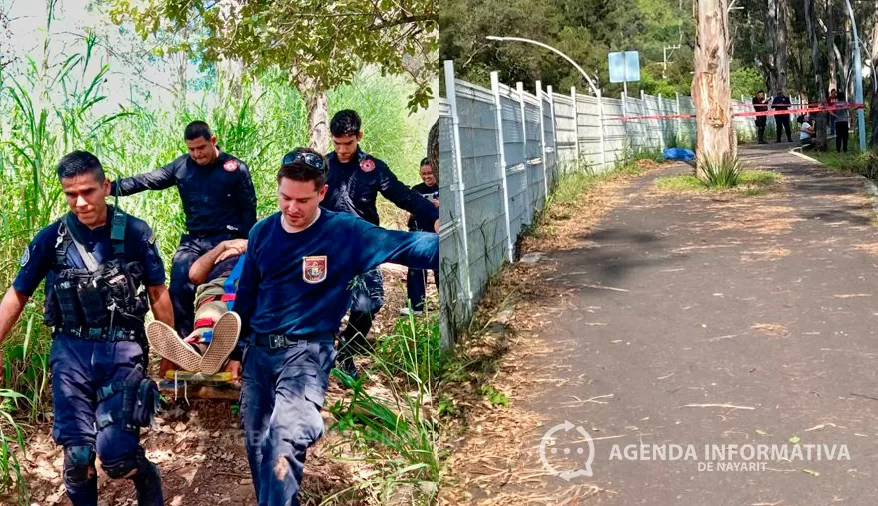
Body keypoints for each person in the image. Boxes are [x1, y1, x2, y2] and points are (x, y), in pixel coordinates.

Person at [233, 150, 438, 506]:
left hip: (307, 353)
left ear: (322, 193)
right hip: (258, 355)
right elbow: (247, 296)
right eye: (285, 198)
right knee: (259, 446)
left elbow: (406, 246)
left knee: (286, 439)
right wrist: (237, 351)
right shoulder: (262, 232)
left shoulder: (344, 232)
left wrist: (456, 238)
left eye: (302, 200)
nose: (292, 208)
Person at [0, 151, 171, 506]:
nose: (80, 202)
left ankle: (147, 482)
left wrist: (170, 357)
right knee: (78, 459)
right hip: (70, 353)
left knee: (118, 458)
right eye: (70, 194)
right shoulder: (51, 239)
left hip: (122, 351)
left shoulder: (136, 233)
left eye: (88, 191)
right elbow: (15, 296)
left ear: (106, 187)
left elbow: (158, 294)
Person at [110, 121, 257, 340]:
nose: (196, 154)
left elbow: (249, 209)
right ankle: (185, 344)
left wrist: (245, 244)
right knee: (178, 288)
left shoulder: (235, 169)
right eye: (191, 149)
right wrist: (112, 187)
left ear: (213, 141)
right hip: (194, 240)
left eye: (201, 148)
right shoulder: (181, 167)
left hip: (227, 238)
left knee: (225, 290)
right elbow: (148, 180)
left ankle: (226, 346)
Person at [322, 110, 439, 378]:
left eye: (348, 144)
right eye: (337, 143)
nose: (341, 150)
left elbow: (406, 197)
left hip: (364, 249)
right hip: (327, 249)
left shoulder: (372, 169)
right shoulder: (323, 167)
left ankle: (347, 351)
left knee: (368, 304)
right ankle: (324, 354)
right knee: (324, 302)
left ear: (359, 137)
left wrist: (434, 218)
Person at [147, 239, 247, 377]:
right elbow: (194, 275)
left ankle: (205, 349)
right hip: (214, 289)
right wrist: (222, 247)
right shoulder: (223, 248)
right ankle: (197, 348)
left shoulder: (262, 245)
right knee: (209, 316)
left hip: (246, 289)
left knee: (224, 314)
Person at [401, 158, 439, 316]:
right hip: (418, 232)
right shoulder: (416, 190)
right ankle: (416, 306)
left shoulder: (443, 188)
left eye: (430, 173)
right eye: (423, 174)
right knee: (416, 268)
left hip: (437, 233)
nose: (427, 177)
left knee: (439, 267)